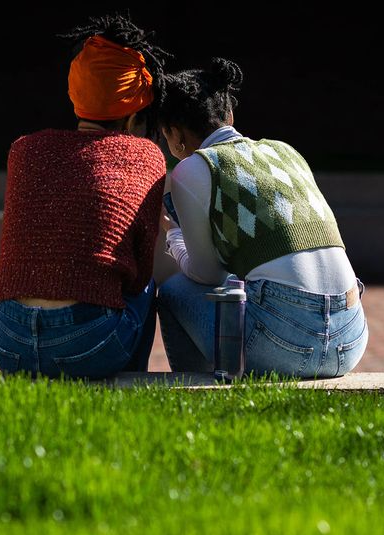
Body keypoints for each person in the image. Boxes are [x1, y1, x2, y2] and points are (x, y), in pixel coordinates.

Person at [0, 13, 171, 379]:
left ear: (76, 95)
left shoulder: (24, 149)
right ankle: (129, 386)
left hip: (5, 338)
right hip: (88, 343)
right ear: (134, 111)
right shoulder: (145, 156)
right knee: (146, 287)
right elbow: (138, 273)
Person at [156, 58, 369, 378]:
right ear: (229, 115)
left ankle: (197, 395)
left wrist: (174, 237)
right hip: (350, 338)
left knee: (173, 291)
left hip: (283, 344)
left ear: (173, 133)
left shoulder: (193, 169)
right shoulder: (286, 151)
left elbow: (206, 276)